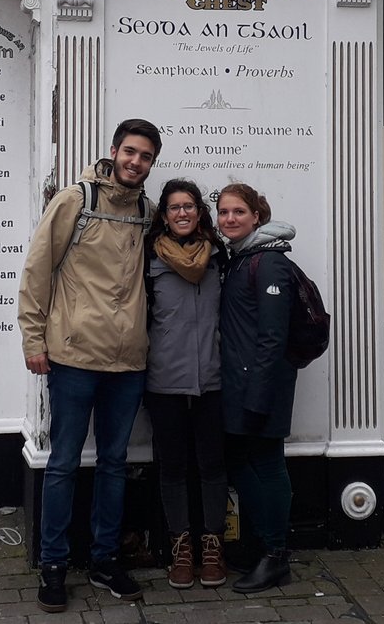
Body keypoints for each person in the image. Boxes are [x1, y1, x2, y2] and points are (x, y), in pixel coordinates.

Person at [16, 118, 161, 614]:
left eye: (145, 156)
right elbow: (36, 270)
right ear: (114, 152)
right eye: (130, 152)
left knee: (115, 464)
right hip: (74, 356)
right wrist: (33, 339)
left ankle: (103, 561)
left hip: (129, 362)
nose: (135, 162)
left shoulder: (148, 211)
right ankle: (53, 566)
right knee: (62, 464)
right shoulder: (76, 200)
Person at [144, 179, 228, 590]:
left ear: (199, 212)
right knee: (173, 468)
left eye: (189, 206)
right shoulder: (150, 257)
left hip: (212, 379)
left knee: (213, 466)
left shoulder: (219, 255)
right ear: (164, 214)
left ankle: (213, 545)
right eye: (174, 207)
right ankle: (181, 547)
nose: (182, 213)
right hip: (164, 381)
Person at [216, 182, 299, 594]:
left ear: (257, 216)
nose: (230, 219)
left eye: (238, 212)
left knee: (267, 464)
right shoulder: (240, 258)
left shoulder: (268, 263)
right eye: (224, 212)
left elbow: (273, 336)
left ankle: (276, 555)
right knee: (242, 461)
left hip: (261, 385)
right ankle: (265, 546)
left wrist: (259, 394)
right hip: (240, 384)